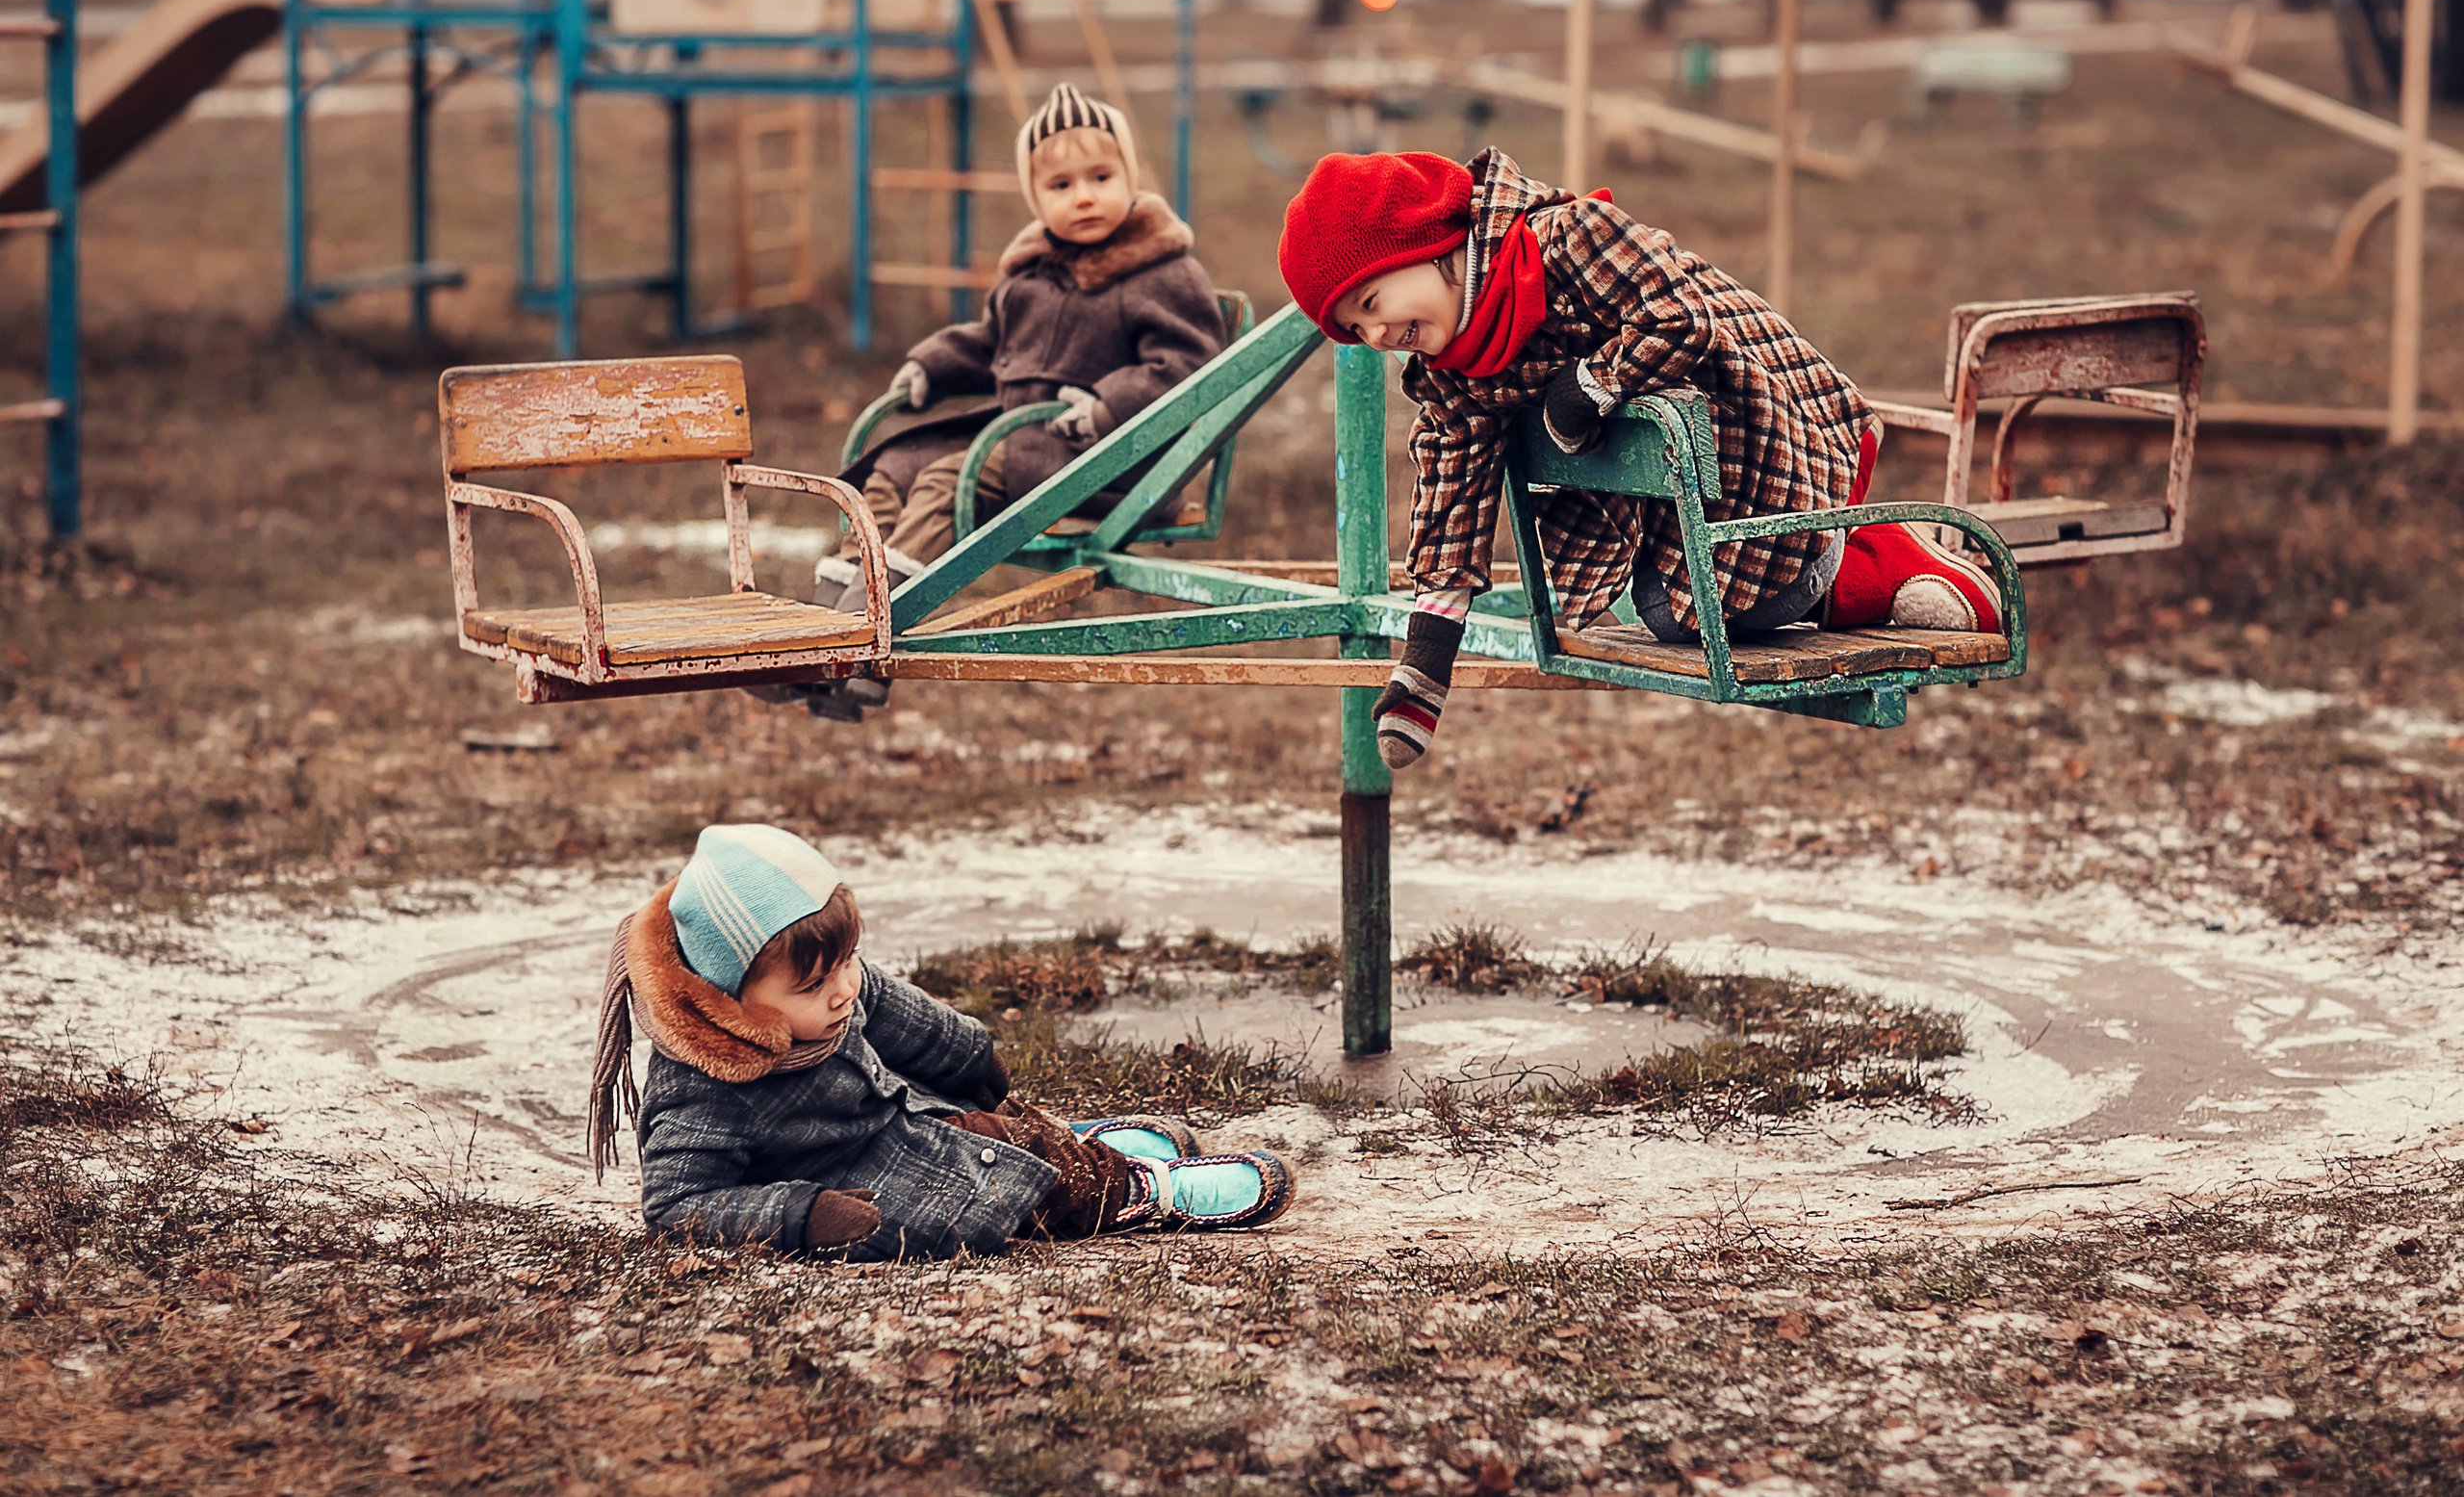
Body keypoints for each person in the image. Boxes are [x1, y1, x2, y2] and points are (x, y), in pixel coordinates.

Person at [1275, 147, 2003, 771]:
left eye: (1370, 300)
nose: (1375, 334)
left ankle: (1874, 555)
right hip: (1666, 500)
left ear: (1426, 245)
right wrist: (1425, 667)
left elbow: (1681, 314)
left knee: (1739, 606)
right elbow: (1451, 505)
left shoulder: (1567, 243)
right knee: (1665, 615)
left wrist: (1591, 385)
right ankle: (1843, 560)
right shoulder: (1454, 375)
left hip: (1759, 430)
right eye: (1353, 329)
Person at [585, 824, 1296, 1259]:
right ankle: (1139, 1190)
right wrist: (800, 1216)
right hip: (869, 1185)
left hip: (911, 1113)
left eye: (846, 963)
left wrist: (964, 1051)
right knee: (1017, 1190)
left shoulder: (832, 985)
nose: (842, 991)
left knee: (996, 1129)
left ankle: (1084, 1143)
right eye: (812, 986)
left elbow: (892, 1009)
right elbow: (679, 1205)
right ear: (730, 998)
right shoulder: (706, 1085)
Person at [774, 83, 1225, 722]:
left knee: (945, 478)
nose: (1085, 196)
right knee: (887, 475)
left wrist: (1105, 405)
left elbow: (1191, 368)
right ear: (1035, 198)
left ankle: (862, 642)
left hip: (1109, 461)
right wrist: (929, 365)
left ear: (1131, 174)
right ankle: (825, 634)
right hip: (1028, 446)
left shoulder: (1159, 272)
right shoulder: (1032, 273)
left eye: (1101, 175)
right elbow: (989, 341)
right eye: (1061, 186)